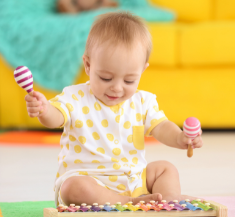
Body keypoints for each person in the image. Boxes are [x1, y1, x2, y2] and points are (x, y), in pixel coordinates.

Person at [25, 12, 203, 207]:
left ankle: (168, 202)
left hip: (134, 180)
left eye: (129, 80)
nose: (117, 88)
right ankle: (130, 202)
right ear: (88, 65)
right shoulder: (75, 97)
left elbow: (161, 127)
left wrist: (180, 138)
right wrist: (44, 109)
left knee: (166, 169)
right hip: (91, 182)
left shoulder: (143, 101)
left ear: (142, 70)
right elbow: (55, 117)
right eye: (106, 78)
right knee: (72, 188)